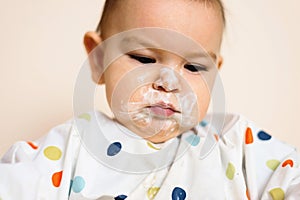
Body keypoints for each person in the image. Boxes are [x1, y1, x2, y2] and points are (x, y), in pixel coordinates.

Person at [0, 0, 299, 199]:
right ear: (99, 58)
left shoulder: (236, 143)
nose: (169, 83)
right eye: (144, 59)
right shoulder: (72, 146)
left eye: (194, 67)